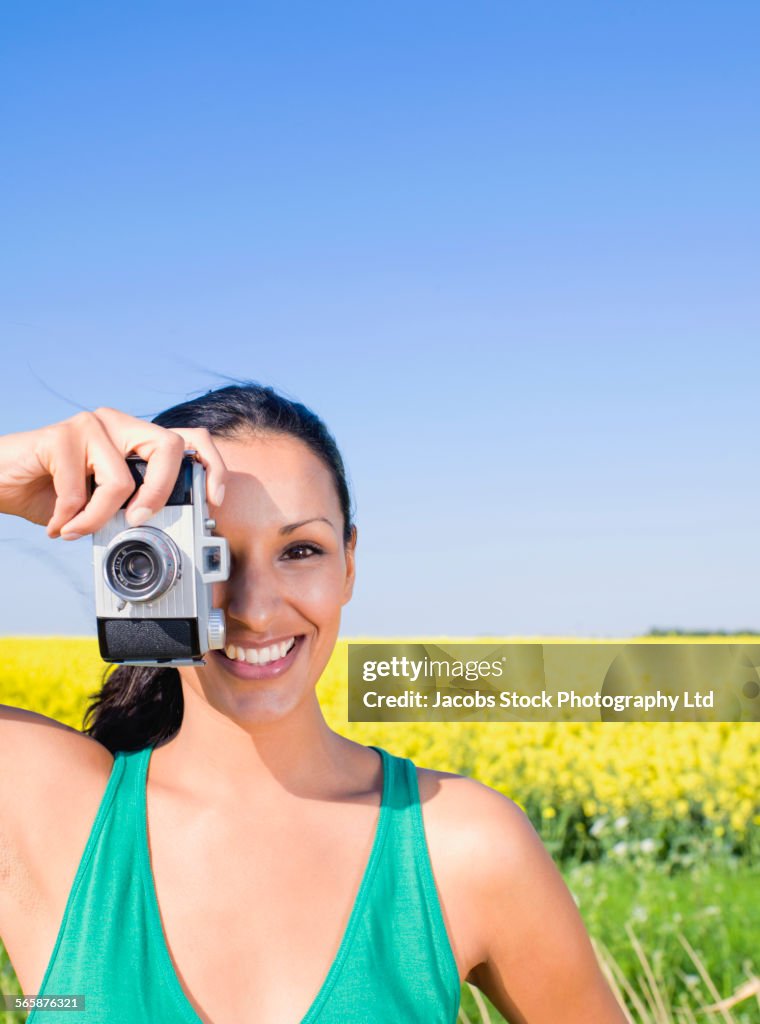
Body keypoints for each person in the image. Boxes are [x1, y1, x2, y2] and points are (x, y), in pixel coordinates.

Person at [0, 383, 628, 1024]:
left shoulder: (464, 846)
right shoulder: (44, 808)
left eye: (300, 551)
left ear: (349, 565)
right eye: (208, 556)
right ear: (140, 568)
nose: (255, 608)